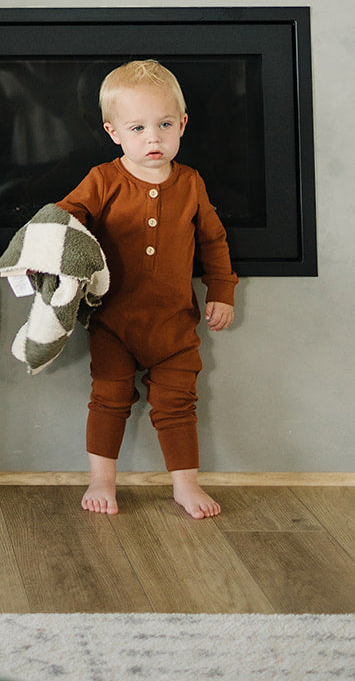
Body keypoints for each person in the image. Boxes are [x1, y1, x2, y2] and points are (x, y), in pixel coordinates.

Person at [56, 59, 237, 519]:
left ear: (183, 124)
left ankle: (185, 484)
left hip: (175, 326)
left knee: (178, 403)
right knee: (109, 397)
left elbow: (213, 241)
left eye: (164, 125)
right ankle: (102, 478)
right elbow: (64, 215)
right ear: (113, 131)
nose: (153, 138)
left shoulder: (191, 183)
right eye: (137, 128)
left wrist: (221, 288)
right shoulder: (104, 179)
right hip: (114, 321)